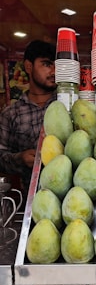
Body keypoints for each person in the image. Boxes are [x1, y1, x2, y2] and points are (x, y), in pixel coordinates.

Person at [0, 40, 57, 203]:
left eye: (56, 65)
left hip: (67, 201)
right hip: (28, 203)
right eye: (46, 64)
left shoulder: (67, 108)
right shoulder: (11, 113)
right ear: (29, 66)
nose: (54, 71)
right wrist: (20, 159)